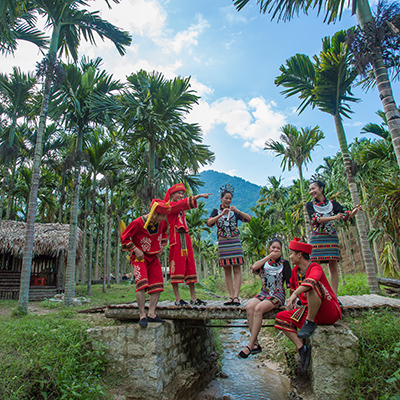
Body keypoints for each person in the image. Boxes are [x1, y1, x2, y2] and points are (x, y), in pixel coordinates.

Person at [274, 237, 342, 372]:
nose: (290, 256)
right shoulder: (295, 271)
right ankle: (302, 349)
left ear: (299, 254)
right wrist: (292, 300)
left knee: (312, 286)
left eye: (292, 253)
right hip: (307, 310)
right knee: (281, 317)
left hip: (327, 311)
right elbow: (293, 287)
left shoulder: (314, 267)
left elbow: (309, 283)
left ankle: (309, 322)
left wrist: (294, 296)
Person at [120, 199, 171, 327]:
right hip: (140, 257)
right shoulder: (137, 223)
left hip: (153, 257)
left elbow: (164, 234)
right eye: (161, 216)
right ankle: (142, 314)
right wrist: (135, 249)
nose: (163, 219)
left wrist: (162, 247)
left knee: (157, 283)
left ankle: (152, 313)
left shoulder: (163, 222)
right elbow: (124, 237)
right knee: (142, 283)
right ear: (154, 214)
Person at [307, 180, 362, 295]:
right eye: (310, 189)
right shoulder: (310, 205)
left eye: (313, 188)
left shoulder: (333, 203)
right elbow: (316, 220)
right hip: (317, 237)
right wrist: (334, 217)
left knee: (333, 265)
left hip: (331, 237)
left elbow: (346, 216)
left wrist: (355, 211)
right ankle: (315, 293)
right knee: (314, 265)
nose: (311, 191)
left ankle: (334, 295)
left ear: (321, 188)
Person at [238, 238, 291, 358]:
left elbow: (289, 284)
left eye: (278, 248)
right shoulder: (265, 263)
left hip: (278, 294)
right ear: (269, 248)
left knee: (258, 309)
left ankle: (250, 345)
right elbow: (254, 267)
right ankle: (256, 343)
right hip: (264, 292)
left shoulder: (285, 263)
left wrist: (291, 299)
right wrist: (268, 257)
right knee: (250, 306)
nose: (276, 250)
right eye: (273, 247)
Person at [164, 183, 211, 306]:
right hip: (176, 239)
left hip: (185, 237)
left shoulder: (180, 209)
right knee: (176, 267)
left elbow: (183, 205)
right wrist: (198, 196)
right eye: (178, 193)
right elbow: (182, 204)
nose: (180, 195)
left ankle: (193, 297)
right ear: (172, 195)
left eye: (182, 194)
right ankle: (178, 298)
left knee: (190, 266)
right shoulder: (170, 206)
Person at [207, 184, 251, 306]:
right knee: (227, 270)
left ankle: (237, 296)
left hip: (235, 242)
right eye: (226, 198)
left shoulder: (235, 213)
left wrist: (237, 211)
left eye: (230, 198)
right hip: (223, 242)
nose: (228, 200)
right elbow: (209, 223)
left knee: (237, 269)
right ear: (221, 199)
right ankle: (230, 296)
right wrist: (221, 215)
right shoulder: (216, 211)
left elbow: (249, 219)